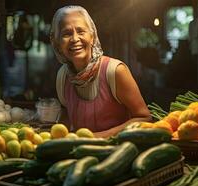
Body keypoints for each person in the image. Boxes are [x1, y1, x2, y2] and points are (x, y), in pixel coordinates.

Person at [50, 5, 151, 138]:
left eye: (81, 31)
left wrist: (95, 138)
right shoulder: (63, 76)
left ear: (92, 36)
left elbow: (145, 118)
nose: (75, 39)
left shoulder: (114, 72)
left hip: (119, 154)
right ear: (57, 43)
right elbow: (66, 115)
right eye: (66, 33)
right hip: (81, 154)